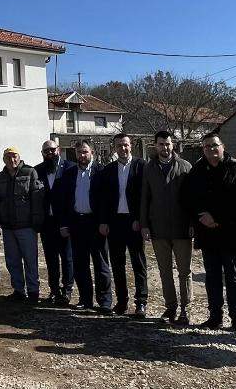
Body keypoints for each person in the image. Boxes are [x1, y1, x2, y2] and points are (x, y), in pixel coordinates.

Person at [182, 132, 236, 332]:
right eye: (207, 146)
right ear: (203, 149)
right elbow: (187, 198)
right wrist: (200, 216)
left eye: (214, 145)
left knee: (233, 276)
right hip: (207, 232)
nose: (211, 149)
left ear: (222, 146)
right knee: (212, 277)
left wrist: (216, 217)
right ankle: (215, 316)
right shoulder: (197, 170)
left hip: (230, 232)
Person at [140, 130, 193, 325]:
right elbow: (144, 198)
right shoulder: (149, 168)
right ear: (155, 145)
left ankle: (185, 309)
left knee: (184, 271)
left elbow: (192, 199)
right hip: (159, 229)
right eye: (161, 144)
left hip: (181, 228)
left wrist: (192, 223)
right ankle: (170, 307)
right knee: (164, 271)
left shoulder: (185, 166)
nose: (165, 147)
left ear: (173, 145)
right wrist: (144, 224)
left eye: (168, 144)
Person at [57, 140, 112, 314]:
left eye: (85, 152)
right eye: (79, 152)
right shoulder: (69, 173)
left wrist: (104, 221)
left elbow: (106, 200)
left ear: (92, 153)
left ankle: (105, 301)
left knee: (101, 263)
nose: (82, 155)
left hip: (96, 223)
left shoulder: (101, 172)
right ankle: (85, 299)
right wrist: (64, 224)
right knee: (80, 264)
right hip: (76, 223)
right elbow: (64, 201)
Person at [97, 133, 147, 317]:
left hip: (134, 222)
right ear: (114, 148)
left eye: (125, 145)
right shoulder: (108, 170)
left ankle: (141, 302)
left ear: (130, 145)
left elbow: (145, 197)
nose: (123, 148)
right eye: (119, 146)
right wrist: (103, 221)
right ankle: (122, 302)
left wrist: (140, 220)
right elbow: (103, 199)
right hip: (115, 223)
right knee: (117, 265)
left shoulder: (141, 166)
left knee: (138, 263)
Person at [0, 146, 44, 303]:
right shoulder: (0, 177)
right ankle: (18, 290)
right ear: (4, 159)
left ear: (19, 157)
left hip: (26, 226)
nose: (12, 159)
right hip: (8, 227)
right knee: (12, 261)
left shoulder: (29, 172)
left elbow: (36, 198)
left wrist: (36, 221)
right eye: (8, 157)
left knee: (30, 260)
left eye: (14, 156)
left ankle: (33, 291)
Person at [35, 139, 75, 306]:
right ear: (42, 153)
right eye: (46, 151)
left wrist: (68, 222)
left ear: (58, 149)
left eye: (52, 149)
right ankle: (54, 290)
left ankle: (67, 290)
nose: (50, 153)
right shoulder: (37, 170)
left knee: (67, 258)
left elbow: (72, 197)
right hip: (47, 223)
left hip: (64, 221)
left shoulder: (70, 168)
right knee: (51, 259)